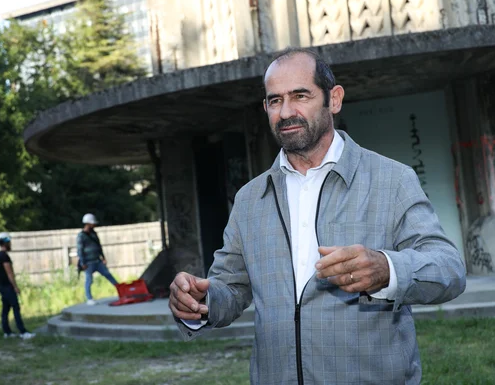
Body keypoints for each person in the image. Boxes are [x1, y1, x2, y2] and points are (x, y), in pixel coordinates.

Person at [169, 48, 467, 384]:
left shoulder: (392, 180)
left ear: (334, 99)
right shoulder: (250, 199)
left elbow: (449, 269)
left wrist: (388, 269)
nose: (286, 112)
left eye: (300, 96)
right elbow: (231, 287)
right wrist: (200, 301)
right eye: (274, 100)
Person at [0, 233, 35, 339]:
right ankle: (22, 332)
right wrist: (15, 286)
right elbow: (9, 273)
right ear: (6, 242)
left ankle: (7, 332)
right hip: (7, 286)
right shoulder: (4, 256)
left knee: (5, 309)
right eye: (9, 242)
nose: (10, 244)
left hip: (1, 286)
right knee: (15, 307)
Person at [77, 213, 118, 305]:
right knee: (89, 280)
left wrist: (103, 257)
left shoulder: (94, 234)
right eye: (92, 223)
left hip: (98, 261)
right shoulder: (81, 236)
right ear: (87, 223)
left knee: (108, 275)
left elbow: (99, 246)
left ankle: (121, 290)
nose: (94, 225)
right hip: (88, 262)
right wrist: (83, 263)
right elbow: (80, 250)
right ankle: (89, 298)